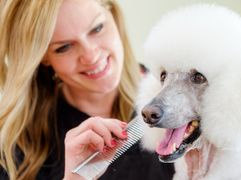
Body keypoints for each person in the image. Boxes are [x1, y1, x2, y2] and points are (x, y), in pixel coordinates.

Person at [0, 0, 175, 179]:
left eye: (97, 28)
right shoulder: (15, 150)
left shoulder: (185, 99)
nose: (91, 56)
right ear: (43, 57)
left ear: (113, 16)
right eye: (64, 47)